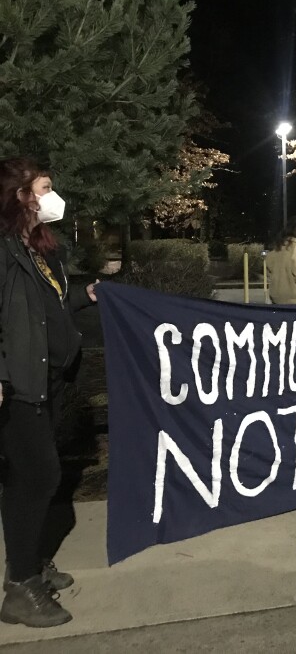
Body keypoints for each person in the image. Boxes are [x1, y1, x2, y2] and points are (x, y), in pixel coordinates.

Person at [0, 157, 99, 627]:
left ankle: (31, 563)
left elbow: (49, 307)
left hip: (50, 380)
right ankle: (20, 588)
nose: (52, 196)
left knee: (31, 478)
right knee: (38, 476)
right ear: (21, 195)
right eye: (45, 188)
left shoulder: (40, 247)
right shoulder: (3, 248)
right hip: (17, 385)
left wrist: (85, 297)